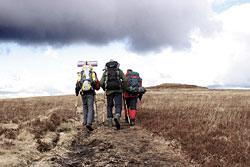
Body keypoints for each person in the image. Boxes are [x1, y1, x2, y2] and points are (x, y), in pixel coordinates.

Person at [100, 60, 127, 129]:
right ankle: (117, 116)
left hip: (109, 91)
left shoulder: (106, 72)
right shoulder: (119, 71)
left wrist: (104, 88)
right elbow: (125, 80)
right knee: (118, 105)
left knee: (109, 105)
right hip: (118, 90)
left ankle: (110, 121)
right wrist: (123, 89)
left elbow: (101, 82)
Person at [75, 66, 100, 131]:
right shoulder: (92, 73)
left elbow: (77, 84)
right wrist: (95, 88)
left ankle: (85, 121)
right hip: (90, 93)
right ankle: (89, 122)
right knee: (90, 107)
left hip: (83, 93)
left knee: (85, 106)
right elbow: (96, 84)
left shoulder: (81, 74)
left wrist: (77, 93)